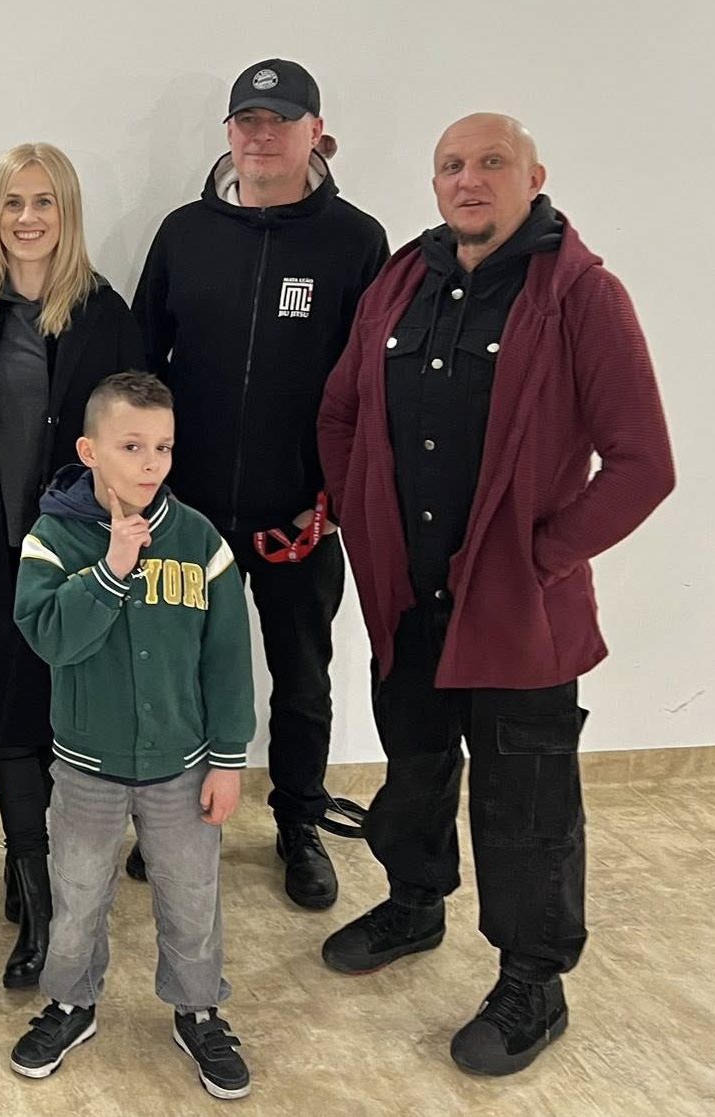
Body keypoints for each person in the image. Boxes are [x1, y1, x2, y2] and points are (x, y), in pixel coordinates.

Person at [317, 113, 675, 1076]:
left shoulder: (581, 295)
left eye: (491, 163)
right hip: (409, 597)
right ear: (435, 183)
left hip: (519, 611)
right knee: (415, 763)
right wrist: (364, 521)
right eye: (451, 166)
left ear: (534, 176)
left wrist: (543, 556)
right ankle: (415, 903)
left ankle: (532, 983)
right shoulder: (402, 280)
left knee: (527, 801)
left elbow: (644, 463)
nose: (468, 179)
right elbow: (341, 411)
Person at [130, 58, 388, 908]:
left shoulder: (356, 241)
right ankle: (170, 819)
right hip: (187, 512)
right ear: (230, 134)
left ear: (318, 134)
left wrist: (336, 497)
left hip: (299, 515)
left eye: (281, 121)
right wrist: (143, 488)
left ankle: (299, 824)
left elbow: (372, 388)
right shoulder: (183, 234)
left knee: (302, 680)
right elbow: (141, 367)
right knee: (174, 673)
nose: (262, 136)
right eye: (248, 120)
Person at [0, 142, 143, 988]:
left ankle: (39, 868)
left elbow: (138, 443)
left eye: (44, 201)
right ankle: (40, 907)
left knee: (64, 723)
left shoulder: (107, 316)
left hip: (78, 559)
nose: (28, 217)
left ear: (66, 212)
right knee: (9, 720)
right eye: (13, 202)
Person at [8, 371, 255, 1100]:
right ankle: (71, 1002)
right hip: (87, 767)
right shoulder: (52, 539)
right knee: (78, 892)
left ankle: (198, 1008)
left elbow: (228, 658)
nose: (151, 464)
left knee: (192, 894)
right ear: (89, 451)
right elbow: (51, 637)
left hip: (183, 766)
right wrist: (112, 569)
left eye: (164, 448)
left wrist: (229, 759)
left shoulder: (200, 540)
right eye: (132, 446)